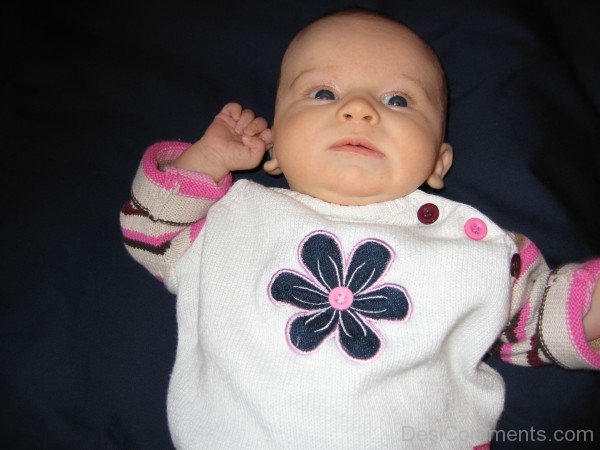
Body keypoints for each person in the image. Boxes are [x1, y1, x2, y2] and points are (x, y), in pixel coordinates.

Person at [120, 7, 600, 449]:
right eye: (323, 93)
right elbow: (150, 232)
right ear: (276, 149)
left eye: (397, 99)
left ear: (438, 162)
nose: (359, 109)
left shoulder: (466, 250)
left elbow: (537, 320)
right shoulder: (233, 220)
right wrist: (204, 161)